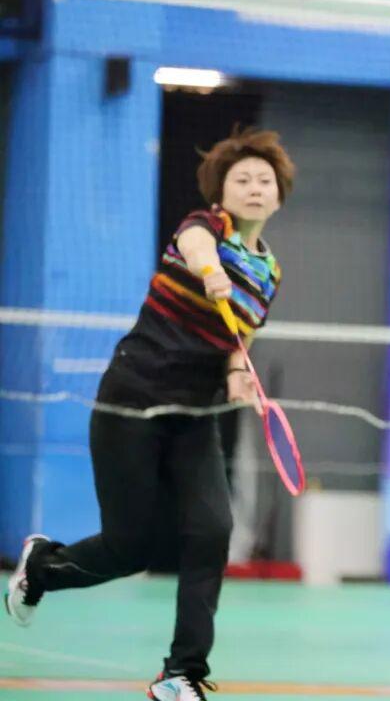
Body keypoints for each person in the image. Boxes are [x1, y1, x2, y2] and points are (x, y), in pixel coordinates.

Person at [3, 128, 295, 701]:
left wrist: (238, 373)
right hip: (132, 398)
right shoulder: (206, 227)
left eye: (265, 181)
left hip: (195, 412)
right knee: (130, 546)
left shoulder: (270, 272)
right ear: (221, 192)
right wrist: (210, 272)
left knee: (211, 530)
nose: (255, 188)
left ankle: (181, 673)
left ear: (279, 195)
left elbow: (241, 337)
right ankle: (42, 568)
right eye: (242, 179)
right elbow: (196, 245)